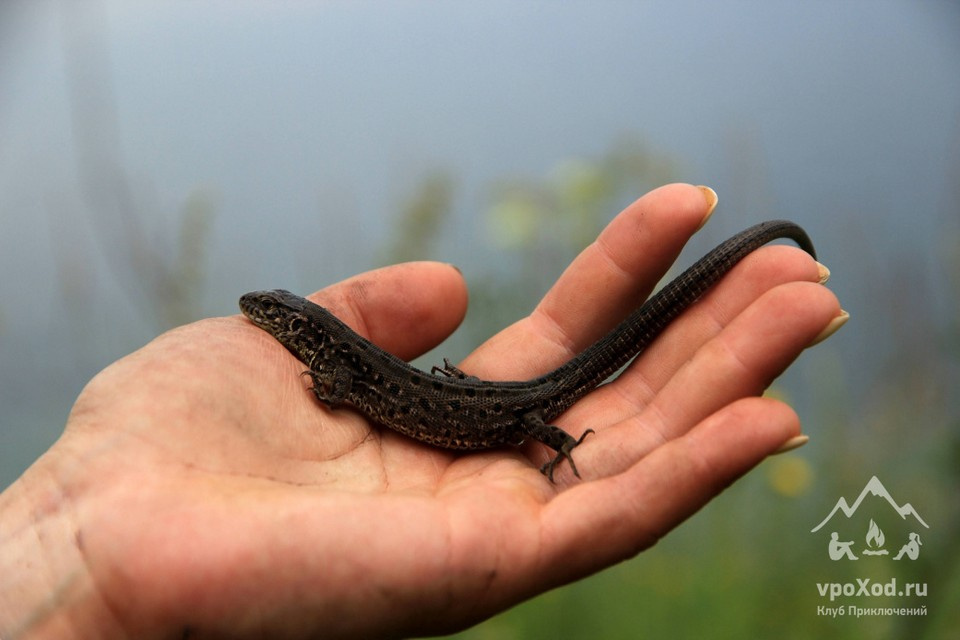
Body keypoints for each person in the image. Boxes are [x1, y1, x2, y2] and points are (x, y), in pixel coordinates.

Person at [0, 184, 844, 638]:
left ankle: (757, 250)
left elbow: (338, 391)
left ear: (300, 328)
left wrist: (549, 441)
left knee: (567, 388)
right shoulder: (337, 358)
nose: (261, 317)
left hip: (516, 413)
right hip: (498, 403)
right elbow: (349, 386)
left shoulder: (337, 371)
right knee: (563, 379)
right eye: (269, 315)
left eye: (274, 316)